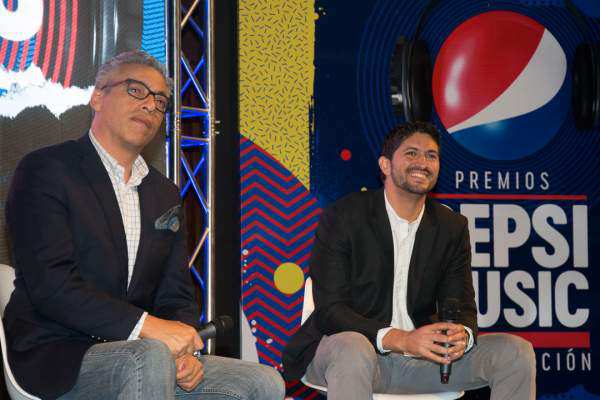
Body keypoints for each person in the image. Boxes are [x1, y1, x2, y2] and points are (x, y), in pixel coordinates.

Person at [4, 50, 285, 400]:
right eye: (136, 90)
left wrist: (184, 351)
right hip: (57, 353)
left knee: (264, 382)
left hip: (141, 354)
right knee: (149, 356)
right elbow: (52, 286)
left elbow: (176, 293)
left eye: (161, 101)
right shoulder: (47, 170)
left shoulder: (163, 192)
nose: (151, 106)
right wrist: (148, 329)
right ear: (97, 97)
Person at [283, 122, 536, 399]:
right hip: (348, 354)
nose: (423, 163)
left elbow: (461, 304)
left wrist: (462, 333)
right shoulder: (344, 217)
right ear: (385, 165)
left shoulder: (451, 226)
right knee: (353, 348)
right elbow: (330, 311)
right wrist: (401, 339)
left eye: (431, 155)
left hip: (423, 362)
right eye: (412, 153)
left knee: (514, 352)